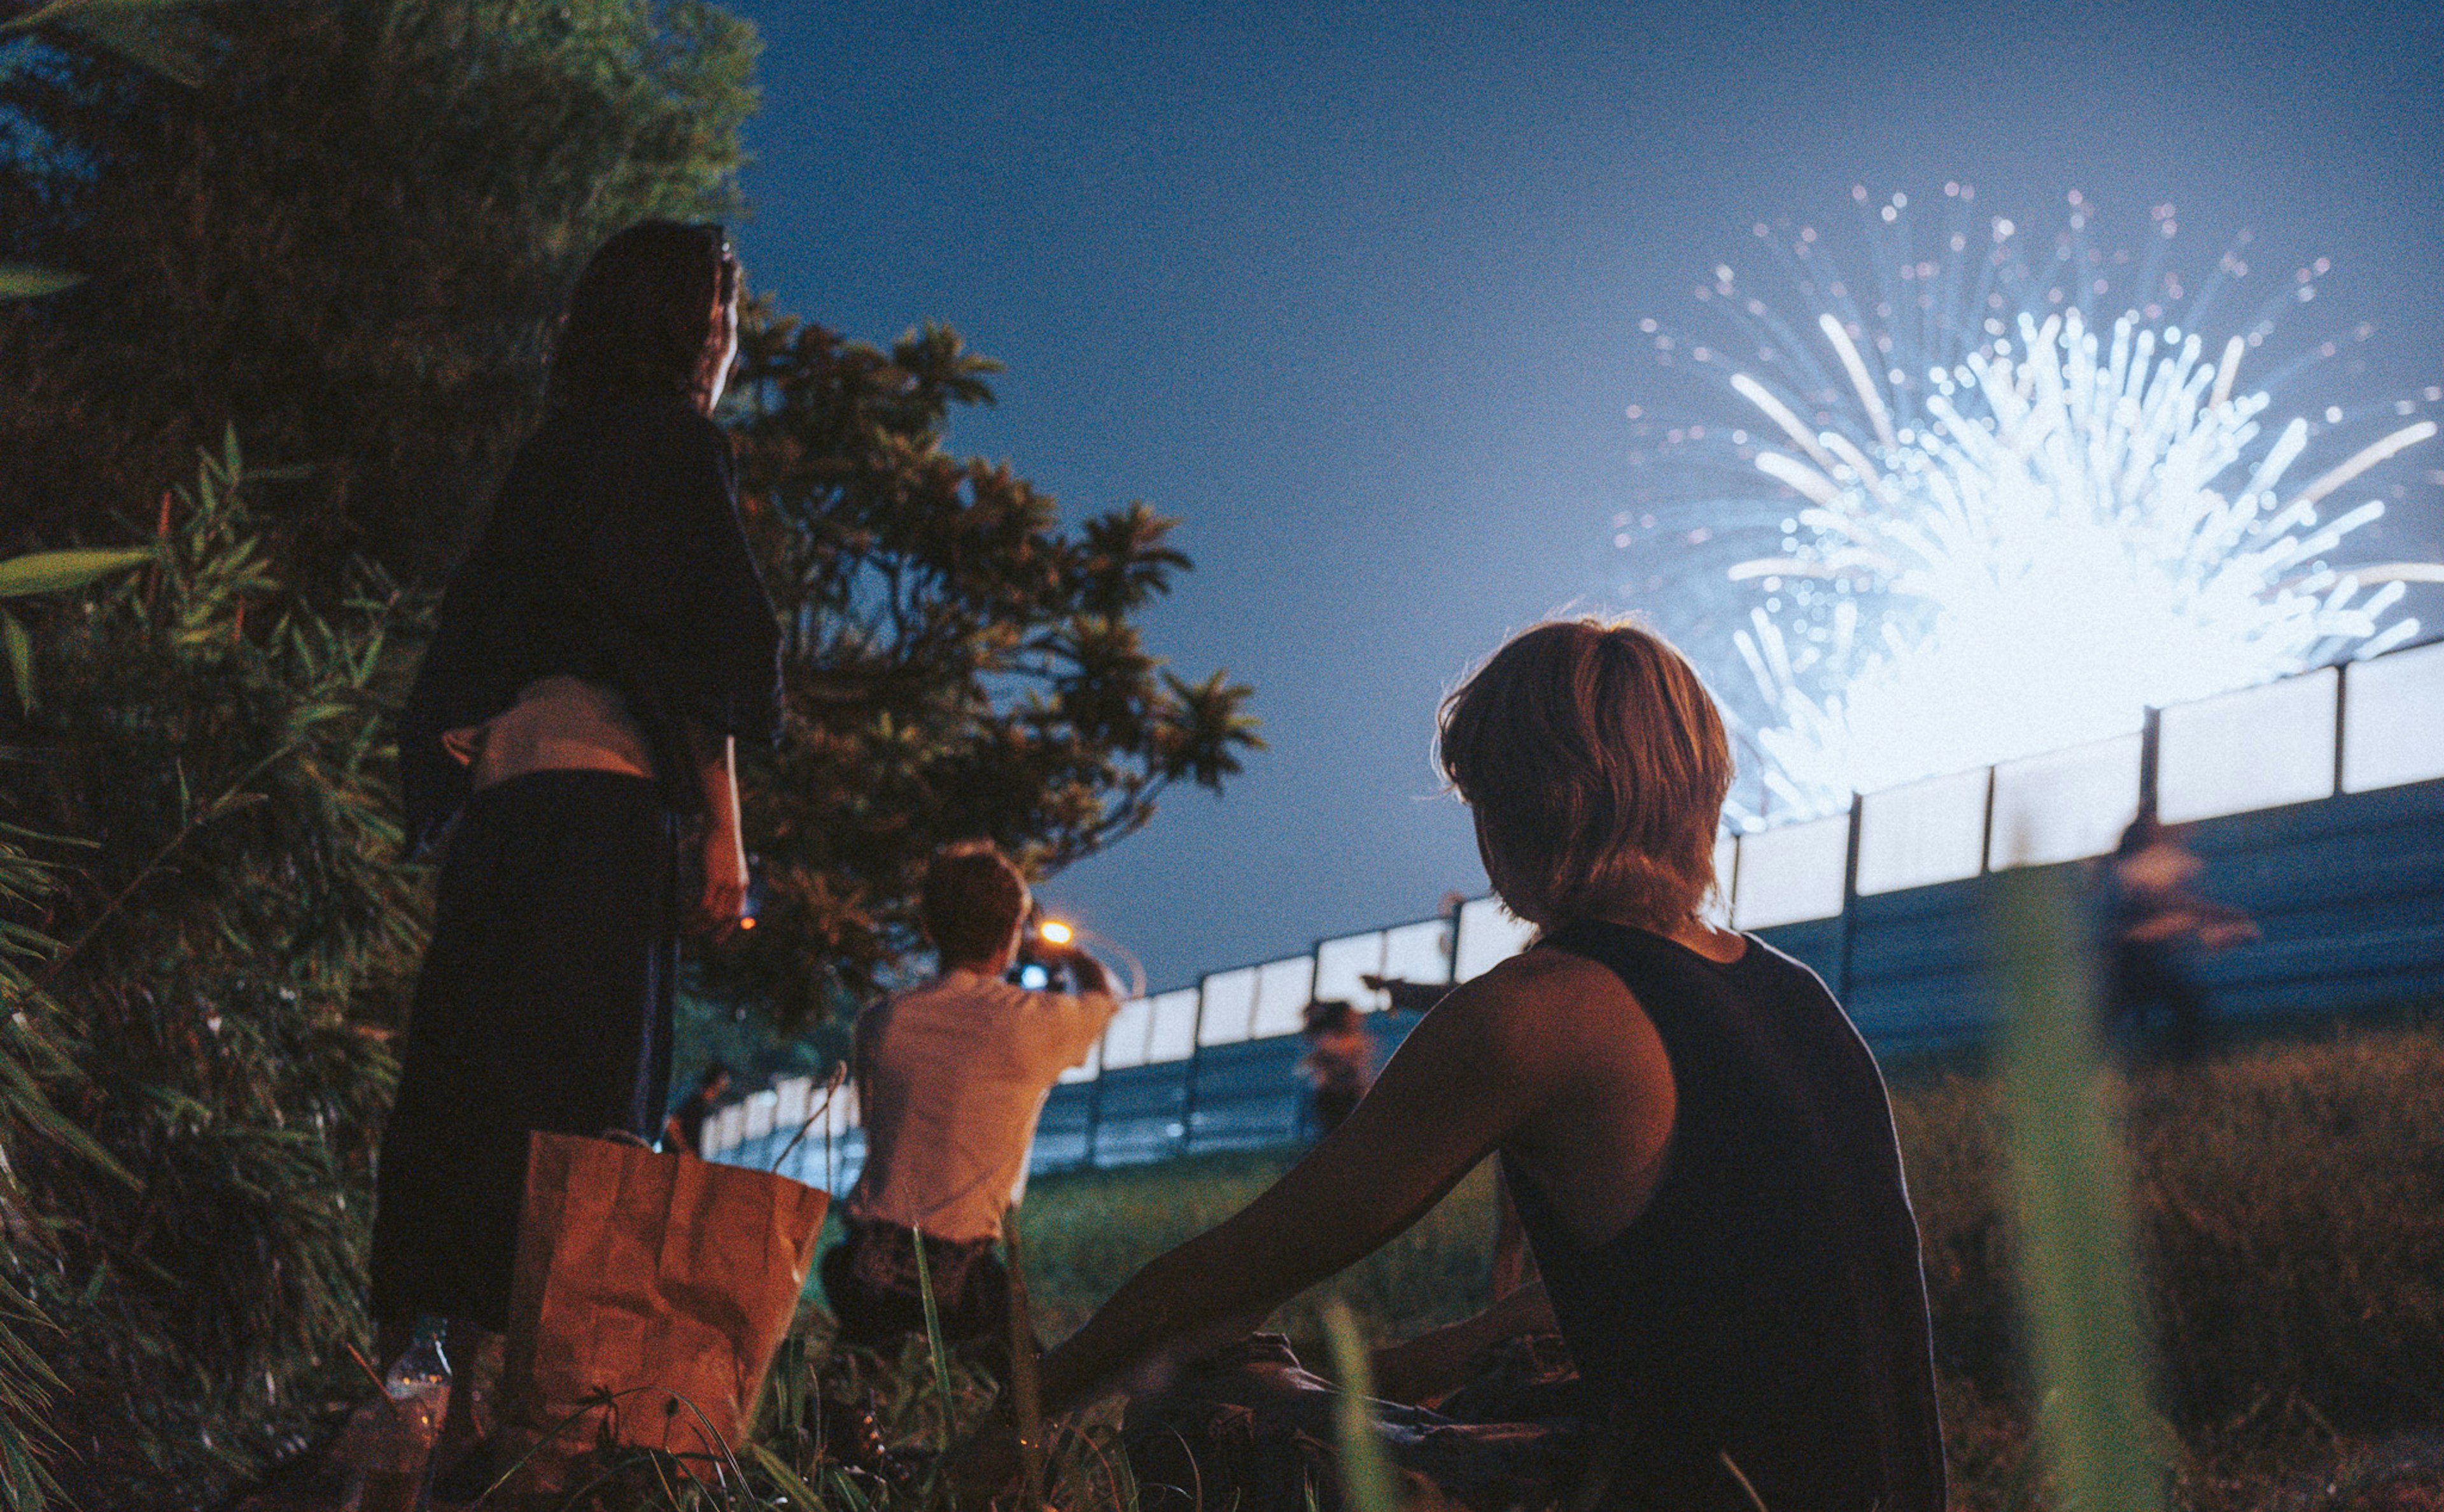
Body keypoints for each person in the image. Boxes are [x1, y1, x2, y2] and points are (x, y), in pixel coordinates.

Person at [964, 617, 1944, 1512]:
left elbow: (1225, 1276)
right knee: (1508, 1371)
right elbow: (1677, 1299)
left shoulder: (1540, 1010)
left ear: (1517, 808)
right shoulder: (1799, 995)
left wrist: (996, 1438)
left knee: (1196, 1397)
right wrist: (1375, 1372)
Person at [369, 220, 782, 1478]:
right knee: (588, 1135)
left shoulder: (550, 457)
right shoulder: (676, 449)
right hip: (603, 828)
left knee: (460, 1099)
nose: (726, 340)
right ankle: (546, 1449)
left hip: (501, 828)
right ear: (681, 328)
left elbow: (463, 664)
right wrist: (725, 839)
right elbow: (705, 658)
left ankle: (412, 1405)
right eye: (718, 315)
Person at [822, 841, 1121, 1366]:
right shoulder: (1036, 1022)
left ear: (928, 928)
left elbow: (876, 1123)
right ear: (1013, 932)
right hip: (959, 1279)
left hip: (863, 1267)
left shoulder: (881, 1021)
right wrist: (1067, 952)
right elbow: (1108, 995)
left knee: (855, 1385)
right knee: (1038, 1395)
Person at [2103, 812, 2257, 1059]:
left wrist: (2210, 920)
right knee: (2182, 1002)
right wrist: (2215, 914)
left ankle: (2186, 1058)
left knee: (2184, 1004)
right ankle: (2186, 1057)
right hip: (2137, 955)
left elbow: (2172, 905)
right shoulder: (2132, 868)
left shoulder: (2150, 864)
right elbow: (2164, 902)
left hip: (2145, 954)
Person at [1296, 998, 1374, 1137]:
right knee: (1332, 1133)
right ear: (1343, 1017)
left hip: (1350, 1093)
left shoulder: (1354, 1039)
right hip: (1332, 1096)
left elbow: (1361, 1069)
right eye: (1351, 1015)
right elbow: (1311, 1065)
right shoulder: (1331, 1040)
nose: (1357, 1019)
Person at [664, 1063, 734, 1156]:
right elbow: (672, 1124)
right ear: (717, 1080)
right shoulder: (696, 1103)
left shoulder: (705, 1106)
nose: (727, 1082)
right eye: (725, 1078)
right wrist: (685, 1151)